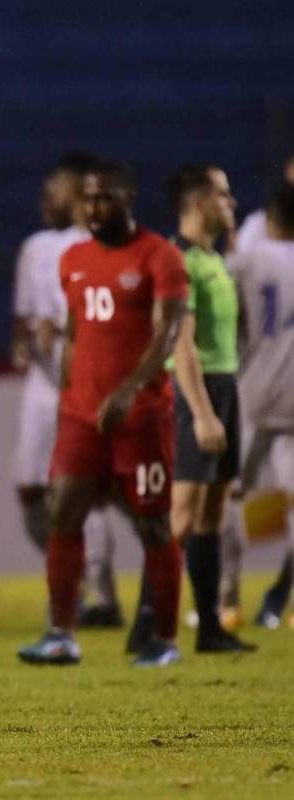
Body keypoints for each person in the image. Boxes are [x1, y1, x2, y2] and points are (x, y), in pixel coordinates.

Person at [17, 158, 188, 667]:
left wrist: (130, 390)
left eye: (105, 197)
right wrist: (71, 391)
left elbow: (169, 332)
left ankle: (164, 639)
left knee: (153, 526)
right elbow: (73, 332)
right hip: (81, 417)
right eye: (88, 198)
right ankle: (61, 633)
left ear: (128, 197)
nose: (94, 207)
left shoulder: (160, 257)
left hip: (142, 417)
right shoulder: (72, 258)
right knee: (62, 514)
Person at [11, 151, 126, 626]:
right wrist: (24, 343)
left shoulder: (103, 247)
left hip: (85, 380)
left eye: (54, 192)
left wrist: (63, 333)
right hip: (42, 381)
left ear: (79, 195)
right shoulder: (36, 247)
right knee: (31, 489)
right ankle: (75, 575)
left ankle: (99, 597)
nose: (45, 201)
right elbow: (23, 316)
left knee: (83, 489)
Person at [158, 164, 254, 652]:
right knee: (182, 509)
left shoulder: (212, 258)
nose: (231, 202)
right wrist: (201, 411)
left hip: (225, 385)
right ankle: (153, 626)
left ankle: (210, 626)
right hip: (194, 389)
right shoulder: (179, 262)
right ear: (197, 201)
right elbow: (185, 345)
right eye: (222, 194)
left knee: (213, 510)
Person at [225, 184, 294, 629]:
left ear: (269, 217)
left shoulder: (248, 261)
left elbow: (225, 321)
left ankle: (225, 599)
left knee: (227, 495)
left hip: (250, 395)